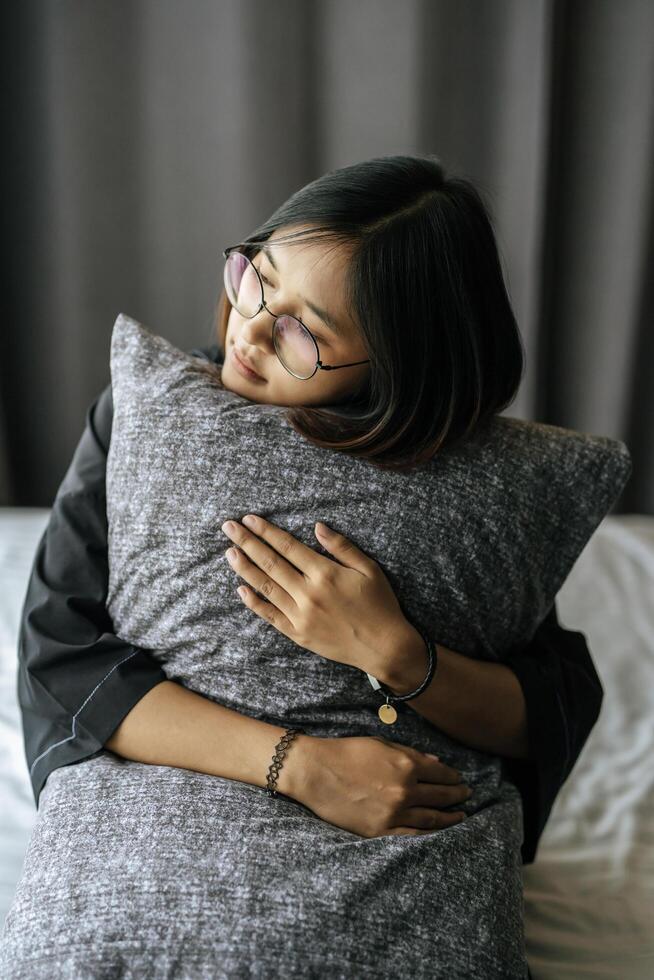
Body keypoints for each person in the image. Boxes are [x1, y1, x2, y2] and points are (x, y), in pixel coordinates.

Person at [13, 154, 603, 977]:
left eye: (306, 331)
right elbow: (60, 660)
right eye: (259, 274)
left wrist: (399, 656)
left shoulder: (471, 489)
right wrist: (301, 767)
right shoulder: (148, 416)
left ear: (393, 365)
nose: (250, 326)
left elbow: (546, 709)